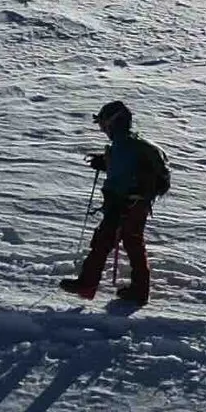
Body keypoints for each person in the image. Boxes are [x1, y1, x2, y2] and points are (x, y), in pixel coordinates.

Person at [61, 100, 169, 306]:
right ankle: (138, 290)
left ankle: (88, 284)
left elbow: (121, 178)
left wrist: (117, 201)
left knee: (103, 242)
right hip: (137, 205)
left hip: (124, 205)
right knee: (133, 243)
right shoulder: (131, 144)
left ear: (113, 123)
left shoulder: (123, 146)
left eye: (103, 125)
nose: (102, 129)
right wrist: (106, 163)